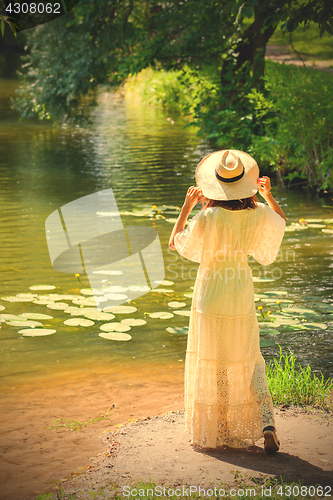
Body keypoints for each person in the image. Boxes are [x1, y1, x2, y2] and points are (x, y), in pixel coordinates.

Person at [168, 149, 286, 453]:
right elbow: (280, 223)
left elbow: (176, 242)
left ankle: (220, 429)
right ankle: (267, 423)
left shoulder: (209, 216)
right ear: (244, 185)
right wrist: (269, 196)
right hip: (240, 290)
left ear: (215, 186)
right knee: (249, 356)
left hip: (211, 291)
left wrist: (186, 207)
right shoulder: (258, 213)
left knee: (215, 359)